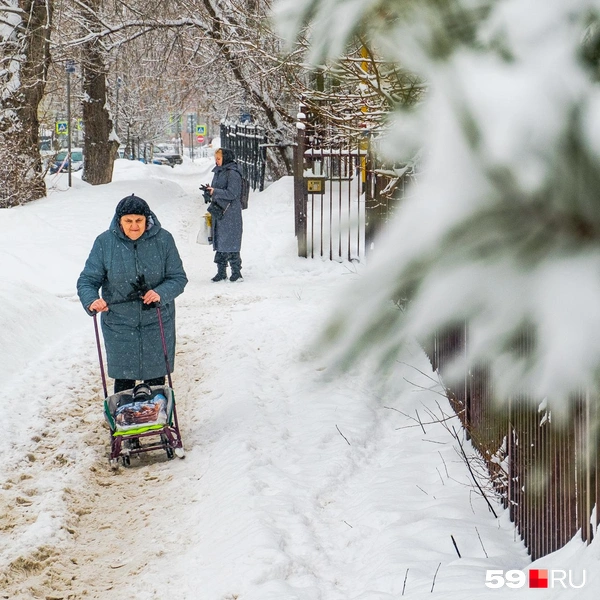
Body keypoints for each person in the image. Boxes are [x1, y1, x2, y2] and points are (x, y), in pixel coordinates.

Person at [77, 194, 188, 394]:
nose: (134, 226)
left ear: (148, 219)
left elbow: (178, 278)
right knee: (124, 382)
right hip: (119, 324)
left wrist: (160, 293)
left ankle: (157, 420)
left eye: (139, 220)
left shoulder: (163, 240)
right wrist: (92, 300)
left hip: (157, 321)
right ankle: (123, 420)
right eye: (128, 221)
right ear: (119, 221)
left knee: (155, 383)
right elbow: (87, 280)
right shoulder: (105, 242)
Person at [206, 148, 244, 282]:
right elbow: (216, 189)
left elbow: (233, 193)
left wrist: (215, 191)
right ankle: (221, 272)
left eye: (218, 158)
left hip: (230, 213)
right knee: (220, 241)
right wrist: (208, 192)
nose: (216, 161)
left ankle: (236, 272)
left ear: (225, 158)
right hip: (219, 211)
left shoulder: (233, 173)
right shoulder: (218, 171)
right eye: (215, 159)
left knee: (231, 242)